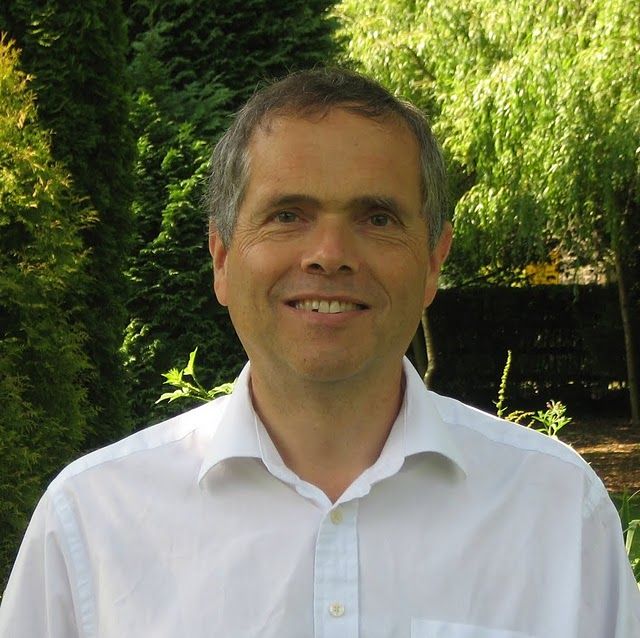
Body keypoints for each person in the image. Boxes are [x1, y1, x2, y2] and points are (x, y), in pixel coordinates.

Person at [1, 68, 639, 638]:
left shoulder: (558, 512)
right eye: (287, 215)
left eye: (377, 218)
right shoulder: (90, 525)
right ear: (221, 258)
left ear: (433, 262)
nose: (329, 254)